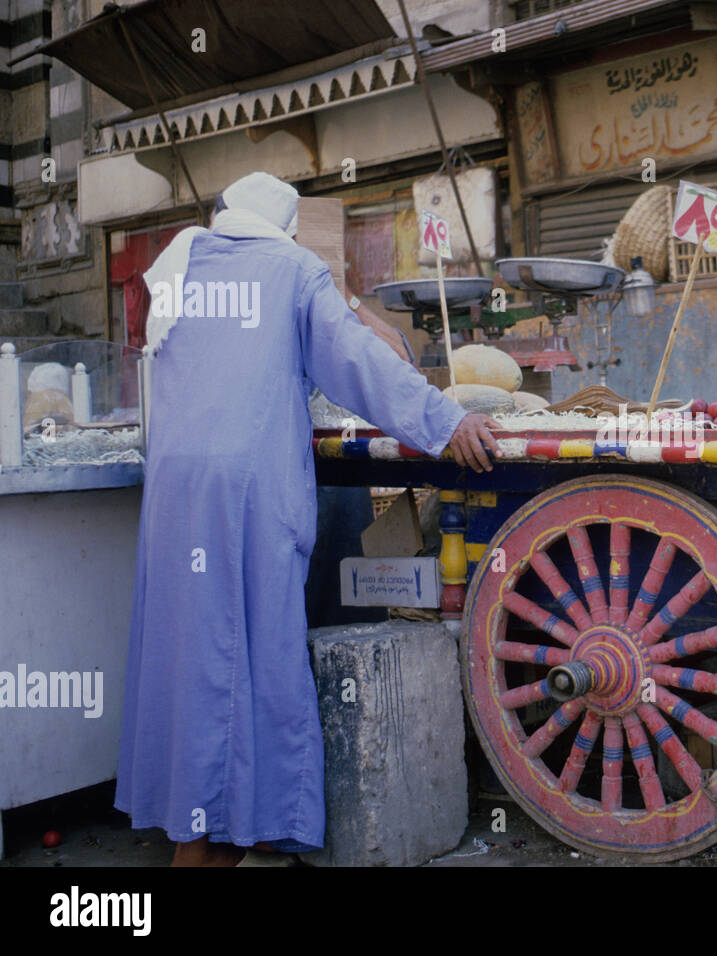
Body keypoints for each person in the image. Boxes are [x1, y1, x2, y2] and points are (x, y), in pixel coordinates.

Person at [117, 172, 499, 866]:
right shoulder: (293, 269)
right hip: (245, 489)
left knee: (188, 658)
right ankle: (227, 835)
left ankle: (197, 821)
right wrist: (446, 419)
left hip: (174, 490)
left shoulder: (177, 263)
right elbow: (359, 366)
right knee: (252, 656)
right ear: (285, 230)